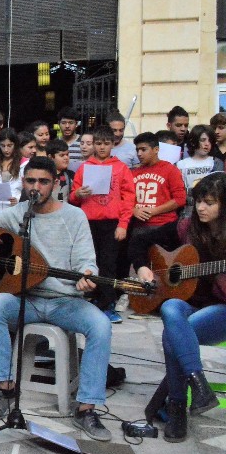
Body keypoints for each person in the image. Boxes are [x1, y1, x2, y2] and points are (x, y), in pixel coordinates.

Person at [0, 156, 114, 441]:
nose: (36, 187)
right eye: (31, 181)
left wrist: (88, 275)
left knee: (101, 326)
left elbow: (87, 261)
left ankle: (87, 407)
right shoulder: (17, 214)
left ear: (56, 184)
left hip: (65, 301)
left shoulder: (74, 217)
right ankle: (5, 389)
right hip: (26, 298)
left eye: (43, 182)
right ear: (23, 183)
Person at [133, 173, 226, 441]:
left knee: (172, 333)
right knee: (172, 307)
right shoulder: (187, 228)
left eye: (209, 202)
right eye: (198, 201)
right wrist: (142, 268)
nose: (201, 208)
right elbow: (139, 241)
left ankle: (177, 408)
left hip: (221, 310)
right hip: (189, 307)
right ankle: (197, 384)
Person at [70, 125, 135, 323]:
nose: (101, 148)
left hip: (111, 223)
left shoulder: (121, 168)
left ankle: (108, 304)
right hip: (88, 223)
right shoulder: (84, 167)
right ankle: (91, 301)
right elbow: (73, 198)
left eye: (106, 144)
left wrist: (123, 224)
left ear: (112, 145)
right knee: (90, 262)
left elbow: (129, 197)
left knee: (108, 263)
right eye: (98, 143)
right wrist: (78, 194)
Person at [176, 125, 224, 194]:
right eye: (203, 140)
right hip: (189, 202)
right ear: (192, 142)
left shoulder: (216, 163)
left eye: (210, 141)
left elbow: (218, 187)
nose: (207, 144)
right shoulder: (181, 164)